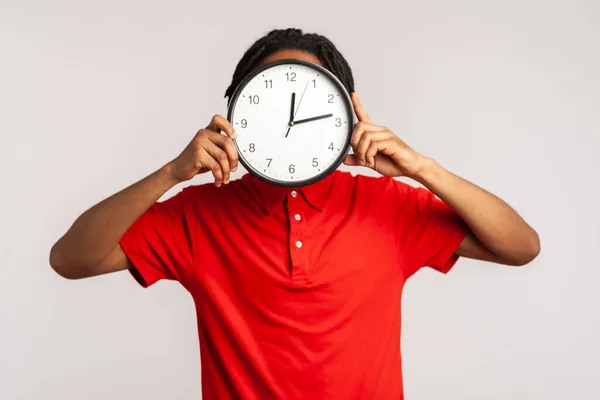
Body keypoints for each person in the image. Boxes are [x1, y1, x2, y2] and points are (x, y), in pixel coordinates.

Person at [49, 28, 540, 399]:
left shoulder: (390, 206)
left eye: (308, 105)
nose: (286, 121)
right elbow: (71, 259)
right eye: (268, 103)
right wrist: (172, 173)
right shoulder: (198, 213)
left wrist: (421, 168)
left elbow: (521, 246)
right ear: (238, 115)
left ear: (347, 117)